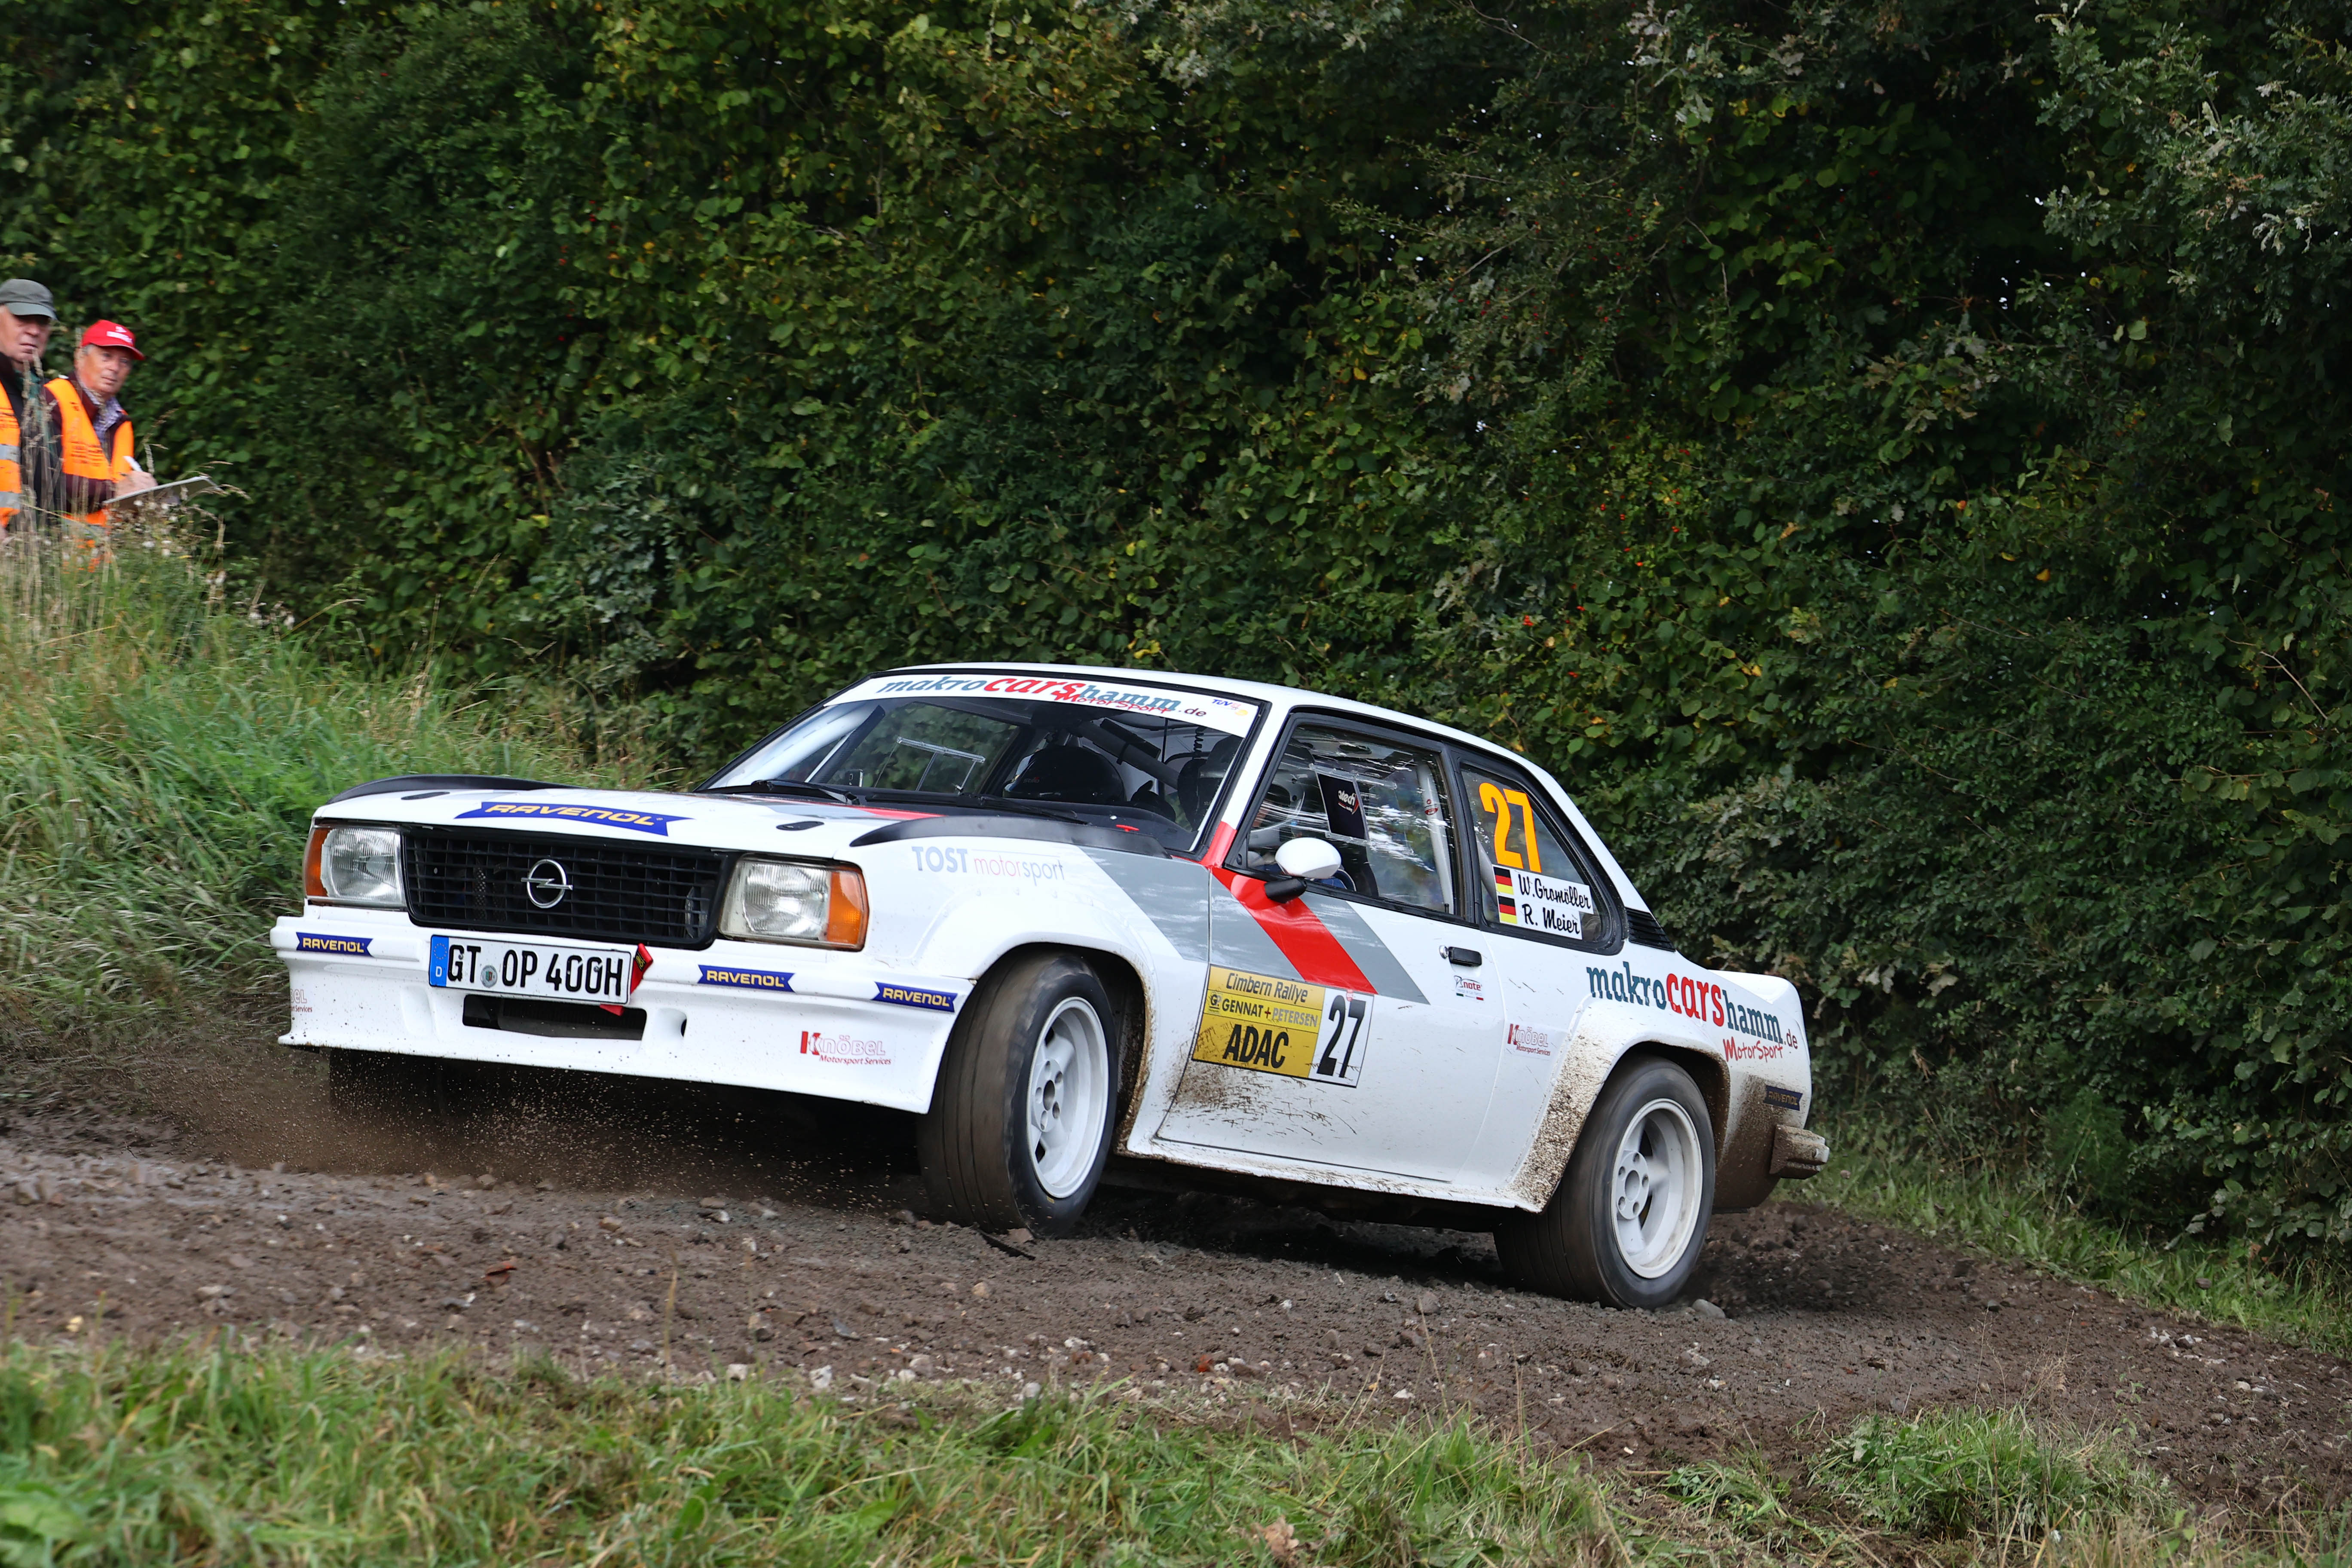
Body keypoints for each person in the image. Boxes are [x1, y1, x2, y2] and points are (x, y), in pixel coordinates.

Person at [47, 319, 156, 542]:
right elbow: (42, 483)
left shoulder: (122, 422)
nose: (115, 368)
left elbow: (118, 501)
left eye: (124, 362)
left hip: (101, 558)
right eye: (106, 357)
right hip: (53, 552)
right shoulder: (51, 400)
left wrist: (142, 497)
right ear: (80, 357)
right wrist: (115, 491)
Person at [0, 277, 58, 532]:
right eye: (22, 319)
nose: (34, 331)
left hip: (35, 547)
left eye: (42, 323)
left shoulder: (44, 396)